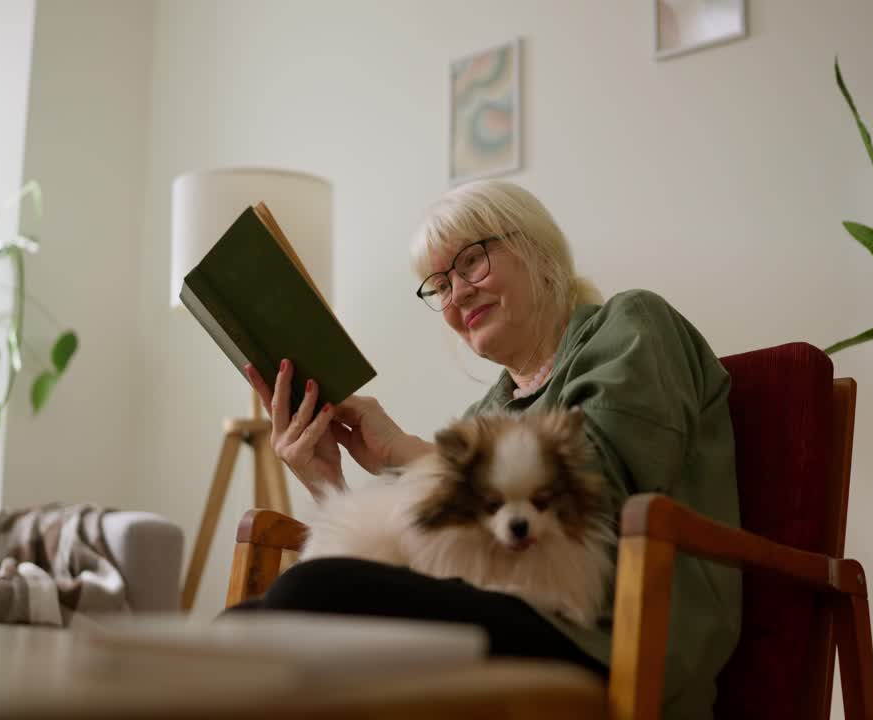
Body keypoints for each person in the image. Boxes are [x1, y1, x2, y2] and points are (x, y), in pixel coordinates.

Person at [233, 180, 741, 719]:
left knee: (310, 593)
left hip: (609, 633)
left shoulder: (631, 324)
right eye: (439, 284)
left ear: (537, 247)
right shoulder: (489, 413)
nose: (457, 294)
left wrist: (408, 452)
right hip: (515, 611)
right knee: (241, 629)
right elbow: (427, 555)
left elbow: (592, 492)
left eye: (471, 262)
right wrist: (327, 479)